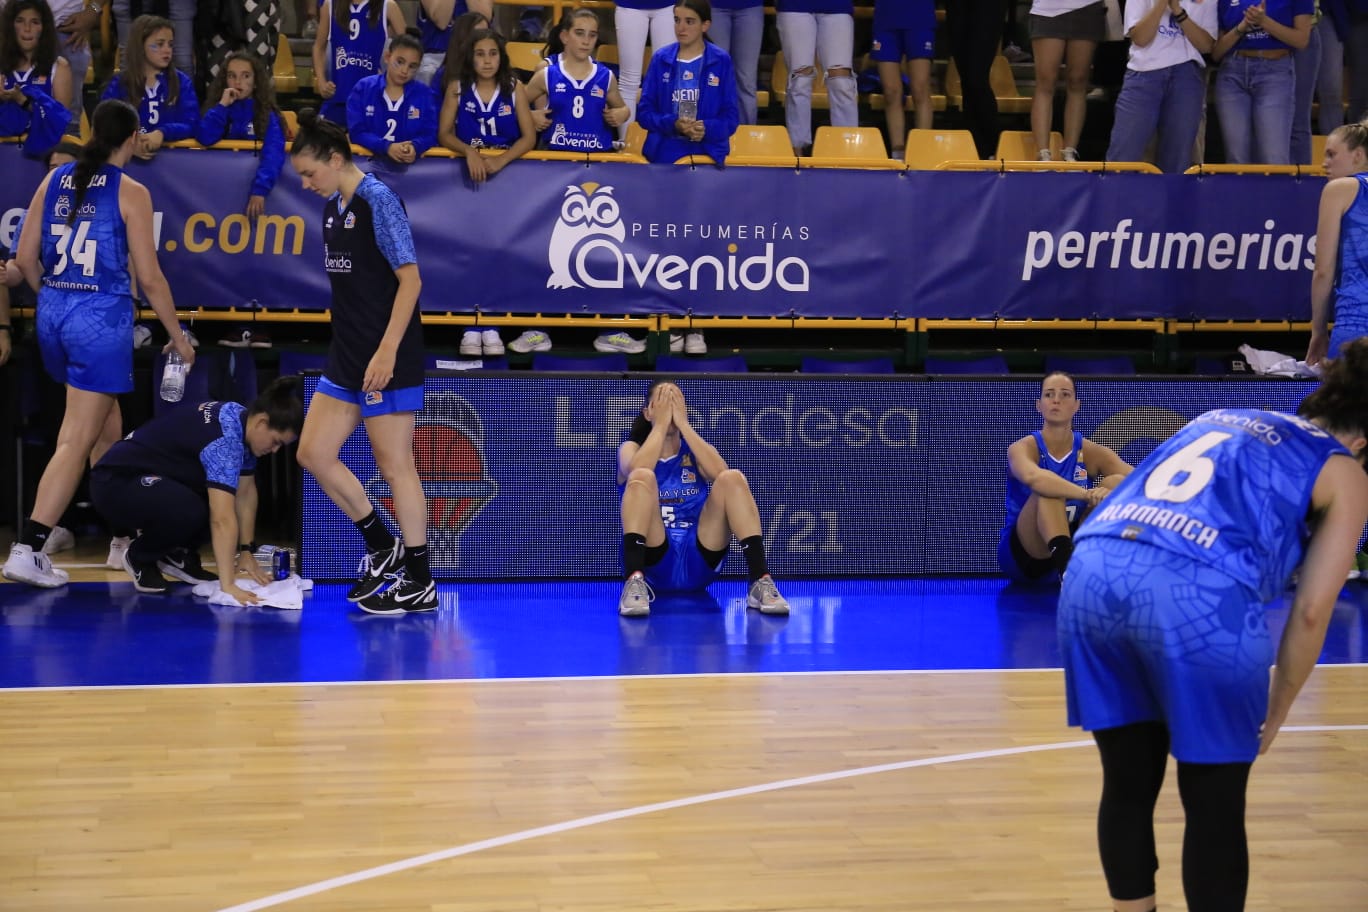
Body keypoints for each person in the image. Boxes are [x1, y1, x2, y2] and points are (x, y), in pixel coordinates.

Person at [1057, 338, 1368, 912]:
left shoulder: (1220, 415)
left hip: (1093, 570)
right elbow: (1312, 610)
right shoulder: (1344, 468)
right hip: (1194, 592)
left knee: (1126, 784)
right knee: (1214, 803)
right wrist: (1277, 706)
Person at [3, 98, 195, 588]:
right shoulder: (131, 191)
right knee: (75, 437)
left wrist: (59, 295)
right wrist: (179, 338)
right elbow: (150, 279)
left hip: (52, 316)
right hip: (99, 322)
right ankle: (29, 546)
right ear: (131, 138)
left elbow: (23, 260)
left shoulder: (55, 178)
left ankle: (122, 540)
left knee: (108, 427)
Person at [288, 108, 435, 615]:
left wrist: (388, 350)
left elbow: (411, 280)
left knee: (396, 468)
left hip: (385, 356)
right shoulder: (334, 206)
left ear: (335, 159)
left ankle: (419, 579)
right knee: (313, 453)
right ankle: (380, 544)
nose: (306, 183)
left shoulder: (379, 200)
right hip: (347, 355)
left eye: (310, 172)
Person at [90, 376, 302, 597]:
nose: (275, 450)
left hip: (152, 477)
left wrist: (247, 550)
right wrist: (228, 585)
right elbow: (222, 519)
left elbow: (245, 493)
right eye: (276, 441)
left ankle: (178, 555)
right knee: (193, 508)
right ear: (261, 423)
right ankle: (139, 556)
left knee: (216, 494)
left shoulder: (240, 419)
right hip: (114, 483)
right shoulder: (224, 444)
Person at [617, 380, 790, 618]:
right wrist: (660, 425)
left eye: (676, 401)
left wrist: (684, 425)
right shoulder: (629, 448)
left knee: (732, 478)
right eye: (663, 401)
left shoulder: (694, 451)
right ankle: (634, 581)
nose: (670, 407)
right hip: (655, 558)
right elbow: (636, 470)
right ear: (647, 412)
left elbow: (722, 475)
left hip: (700, 556)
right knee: (642, 477)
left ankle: (760, 580)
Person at [999, 372, 1132, 581]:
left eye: (1065, 394)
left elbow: (1141, 480)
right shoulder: (1022, 448)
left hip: (1074, 542)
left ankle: (1095, 563)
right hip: (1025, 555)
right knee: (1047, 489)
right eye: (1049, 394)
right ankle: (1068, 572)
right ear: (1039, 405)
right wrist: (1087, 494)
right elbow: (1034, 477)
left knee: (1116, 482)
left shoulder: (1090, 451)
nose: (1056, 400)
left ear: (1076, 405)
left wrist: (1106, 494)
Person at [1105, 0, 1217, 173]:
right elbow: (1140, 38)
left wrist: (1178, 10)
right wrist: (1160, 4)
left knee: (1178, 157)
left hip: (1187, 74)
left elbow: (1206, 45)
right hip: (1144, 73)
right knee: (1124, 154)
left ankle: (1171, 199)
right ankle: (1115, 198)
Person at [636, 0, 739, 165]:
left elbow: (731, 117)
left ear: (705, 25)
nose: (680, 28)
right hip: (665, 150)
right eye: (677, 20)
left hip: (708, 151)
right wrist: (673, 123)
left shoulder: (721, 60)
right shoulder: (660, 58)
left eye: (689, 21)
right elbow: (644, 113)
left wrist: (707, 128)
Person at [1210, 0, 1312, 165]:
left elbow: (1301, 40)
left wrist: (1264, 21)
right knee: (1236, 158)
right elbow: (1216, 53)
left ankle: (1276, 191)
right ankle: (1240, 191)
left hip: (1275, 72)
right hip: (1232, 73)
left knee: (1274, 157)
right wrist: (1241, 27)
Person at [436, 28, 535, 182]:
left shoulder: (515, 87)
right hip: (466, 164)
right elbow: (444, 134)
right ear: (471, 57)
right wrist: (468, 151)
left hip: (509, 166)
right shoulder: (456, 87)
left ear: (501, 57)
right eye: (480, 54)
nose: (487, 61)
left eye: (493, 53)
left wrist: (501, 160)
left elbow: (529, 138)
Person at [196, 49, 286, 219]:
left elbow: (274, 153)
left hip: (252, 193)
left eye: (246, 76)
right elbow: (205, 137)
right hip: (217, 193)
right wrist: (222, 106)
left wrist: (260, 189)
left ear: (256, 81)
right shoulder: (219, 108)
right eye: (231, 75)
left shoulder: (267, 114)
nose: (238, 82)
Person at [525, 8, 629, 152]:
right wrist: (530, 116)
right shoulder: (546, 74)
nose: (586, 41)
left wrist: (622, 113)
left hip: (597, 158)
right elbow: (513, 106)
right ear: (564, 37)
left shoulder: (606, 76)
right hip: (556, 158)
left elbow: (623, 108)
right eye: (579, 33)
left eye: (592, 35)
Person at [1308, 120, 1368, 366]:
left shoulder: (1339, 189)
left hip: (1355, 329)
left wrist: (1318, 332)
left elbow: (1323, 271)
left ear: (1358, 155)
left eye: (1332, 154)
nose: (1324, 163)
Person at [101, 14, 199, 160]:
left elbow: (193, 123)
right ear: (140, 46)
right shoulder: (119, 84)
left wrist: (162, 133)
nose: (167, 50)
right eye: (159, 44)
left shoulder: (181, 82)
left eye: (170, 44)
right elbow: (104, 124)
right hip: (128, 161)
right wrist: (129, 145)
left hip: (173, 161)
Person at [346, 31, 439, 171]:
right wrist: (386, 146)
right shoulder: (363, 88)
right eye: (400, 62)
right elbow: (357, 131)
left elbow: (430, 134)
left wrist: (415, 146)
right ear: (387, 57)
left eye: (412, 66)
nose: (404, 70)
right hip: (367, 169)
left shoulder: (425, 94)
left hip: (412, 174)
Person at [775, 0, 858, 157]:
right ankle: (796, 153)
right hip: (795, 6)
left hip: (837, 6)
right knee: (800, 79)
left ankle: (848, 150)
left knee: (841, 82)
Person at [1027, 0, 1105, 161]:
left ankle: (1070, 152)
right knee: (1046, 81)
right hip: (1047, 10)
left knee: (1078, 80)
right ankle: (1043, 154)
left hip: (1087, 9)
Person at [311, 0, 406, 125]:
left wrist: (390, 79)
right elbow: (318, 47)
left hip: (371, 100)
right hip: (338, 96)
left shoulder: (388, 6)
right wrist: (322, 82)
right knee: (321, 140)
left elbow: (408, 50)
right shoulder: (330, 5)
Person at [0, 0, 73, 158]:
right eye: (20, 21)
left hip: (43, 157)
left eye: (34, 22)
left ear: (44, 28)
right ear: (10, 27)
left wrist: (24, 101)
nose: (27, 29)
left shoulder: (59, 67)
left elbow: (59, 120)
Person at [870, 0, 937, 159]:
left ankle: (920, 152)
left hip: (919, 17)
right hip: (886, 19)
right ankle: (897, 153)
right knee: (891, 91)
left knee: (920, 89)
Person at [945, 0, 1006, 158]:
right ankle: (974, 149)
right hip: (957, 6)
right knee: (966, 79)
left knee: (976, 78)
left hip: (988, 6)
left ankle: (993, 147)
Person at [613, 0, 676, 139]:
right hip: (629, 5)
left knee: (665, 79)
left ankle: (662, 142)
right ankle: (626, 143)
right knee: (629, 80)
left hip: (668, 6)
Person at [415, 0, 492, 88]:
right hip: (436, 56)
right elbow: (441, 21)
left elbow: (483, 20)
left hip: (473, 55)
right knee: (428, 72)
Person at [707, 0, 762, 124]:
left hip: (750, 7)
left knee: (747, 79)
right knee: (715, 76)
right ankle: (713, 130)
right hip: (714, 6)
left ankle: (747, 132)